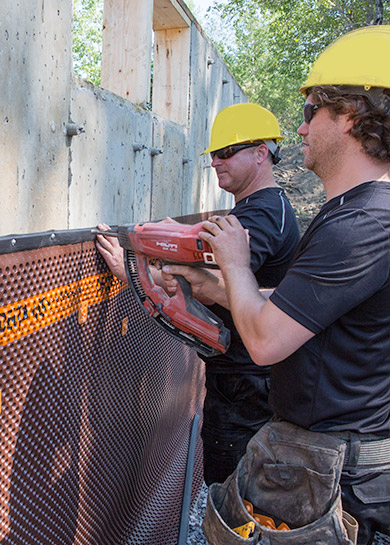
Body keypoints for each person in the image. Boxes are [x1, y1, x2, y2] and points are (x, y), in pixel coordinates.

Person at [163, 26, 390, 544]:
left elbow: (266, 340)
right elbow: (294, 310)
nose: (302, 128)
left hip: (336, 472)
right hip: (324, 455)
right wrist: (205, 282)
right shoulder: (353, 214)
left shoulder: (366, 223)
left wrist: (235, 265)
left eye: (312, 110)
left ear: (352, 116)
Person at [96, 102, 300, 486]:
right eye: (213, 155)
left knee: (233, 489)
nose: (216, 162)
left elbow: (208, 282)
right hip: (248, 376)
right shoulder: (265, 209)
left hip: (248, 382)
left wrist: (134, 272)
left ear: (261, 154)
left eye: (226, 153)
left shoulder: (262, 215)